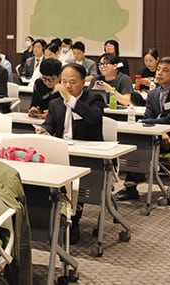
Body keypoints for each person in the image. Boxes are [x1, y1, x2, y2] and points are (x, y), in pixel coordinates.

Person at [36, 63, 105, 244]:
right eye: (64, 81)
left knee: (80, 186)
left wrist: (71, 100)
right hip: (61, 152)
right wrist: (44, 131)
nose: (67, 86)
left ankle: (74, 220)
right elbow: (50, 124)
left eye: (72, 82)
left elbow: (93, 118)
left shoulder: (94, 99)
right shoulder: (55, 102)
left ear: (83, 82)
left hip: (87, 153)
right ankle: (56, 217)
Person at [117, 57, 170, 202]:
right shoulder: (153, 94)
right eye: (158, 69)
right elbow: (148, 117)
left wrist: (160, 129)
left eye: (165, 71)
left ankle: (132, 186)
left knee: (140, 147)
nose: (159, 73)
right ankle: (131, 186)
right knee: (134, 144)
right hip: (159, 136)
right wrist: (160, 131)